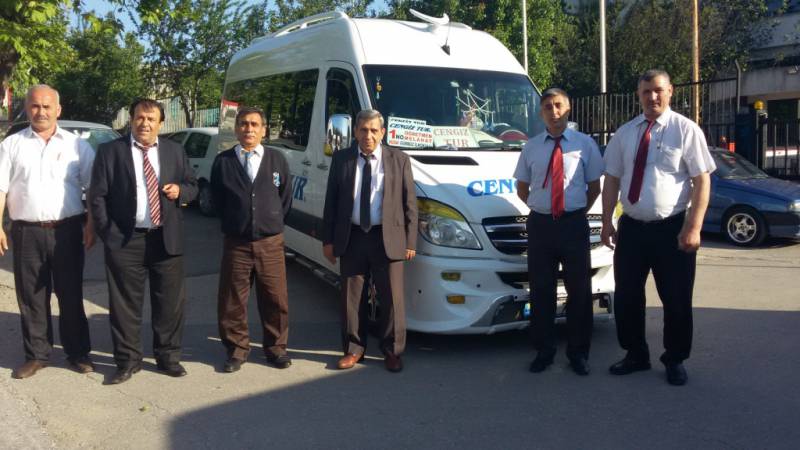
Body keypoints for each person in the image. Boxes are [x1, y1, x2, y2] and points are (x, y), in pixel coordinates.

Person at [601, 69, 715, 386]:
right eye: (646, 92)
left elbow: (702, 180)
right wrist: (608, 222)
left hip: (672, 229)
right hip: (632, 229)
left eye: (658, 90)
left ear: (670, 91)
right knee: (627, 297)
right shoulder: (625, 134)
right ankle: (635, 354)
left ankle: (674, 359)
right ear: (638, 96)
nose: (652, 97)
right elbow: (612, 180)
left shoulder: (685, 130)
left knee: (676, 299)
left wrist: (694, 227)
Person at [88, 98, 198, 385]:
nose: (145, 123)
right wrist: (108, 233)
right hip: (126, 240)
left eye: (151, 119)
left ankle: (168, 358)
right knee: (125, 306)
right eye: (139, 117)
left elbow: (193, 185)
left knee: (169, 304)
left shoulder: (175, 150)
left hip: (166, 238)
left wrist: (181, 191)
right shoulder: (111, 152)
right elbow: (97, 196)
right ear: (131, 120)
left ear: (160, 123)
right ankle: (127, 361)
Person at [0, 85, 95, 379]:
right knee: (31, 296)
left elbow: (93, 189)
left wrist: (92, 226)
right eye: (35, 106)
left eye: (46, 106)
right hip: (26, 232)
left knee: (70, 293)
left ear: (58, 110)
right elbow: (1, 188)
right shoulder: (12, 145)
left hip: (67, 231)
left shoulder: (77, 146)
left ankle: (77, 353)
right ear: (27, 108)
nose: (41, 111)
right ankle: (37, 355)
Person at [513, 88, 603, 376]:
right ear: (541, 113)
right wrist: (542, 207)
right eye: (548, 107)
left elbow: (594, 187)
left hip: (573, 224)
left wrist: (575, 211)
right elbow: (522, 186)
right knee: (541, 290)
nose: (554, 112)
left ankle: (578, 353)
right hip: (541, 225)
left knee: (579, 290)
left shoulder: (585, 144)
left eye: (558, 105)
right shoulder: (531, 147)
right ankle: (544, 351)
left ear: (568, 108)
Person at [322, 109, 417, 373]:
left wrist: (411, 241)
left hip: (387, 238)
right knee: (351, 298)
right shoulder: (342, 159)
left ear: (382, 133)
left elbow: (410, 203)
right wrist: (328, 240)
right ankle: (353, 349)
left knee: (392, 299)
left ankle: (392, 351)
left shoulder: (399, 160)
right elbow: (331, 202)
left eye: (374, 130)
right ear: (355, 132)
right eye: (363, 130)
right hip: (352, 236)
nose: (368, 135)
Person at [210, 107, 292, 373]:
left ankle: (276, 349)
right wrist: (237, 222)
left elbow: (285, 198)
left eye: (255, 124)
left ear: (263, 130)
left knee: (275, 299)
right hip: (237, 243)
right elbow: (217, 200)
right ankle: (236, 350)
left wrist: (270, 221)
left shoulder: (277, 159)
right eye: (244, 124)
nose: (249, 129)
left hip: (270, 243)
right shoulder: (223, 162)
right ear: (236, 129)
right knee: (232, 300)